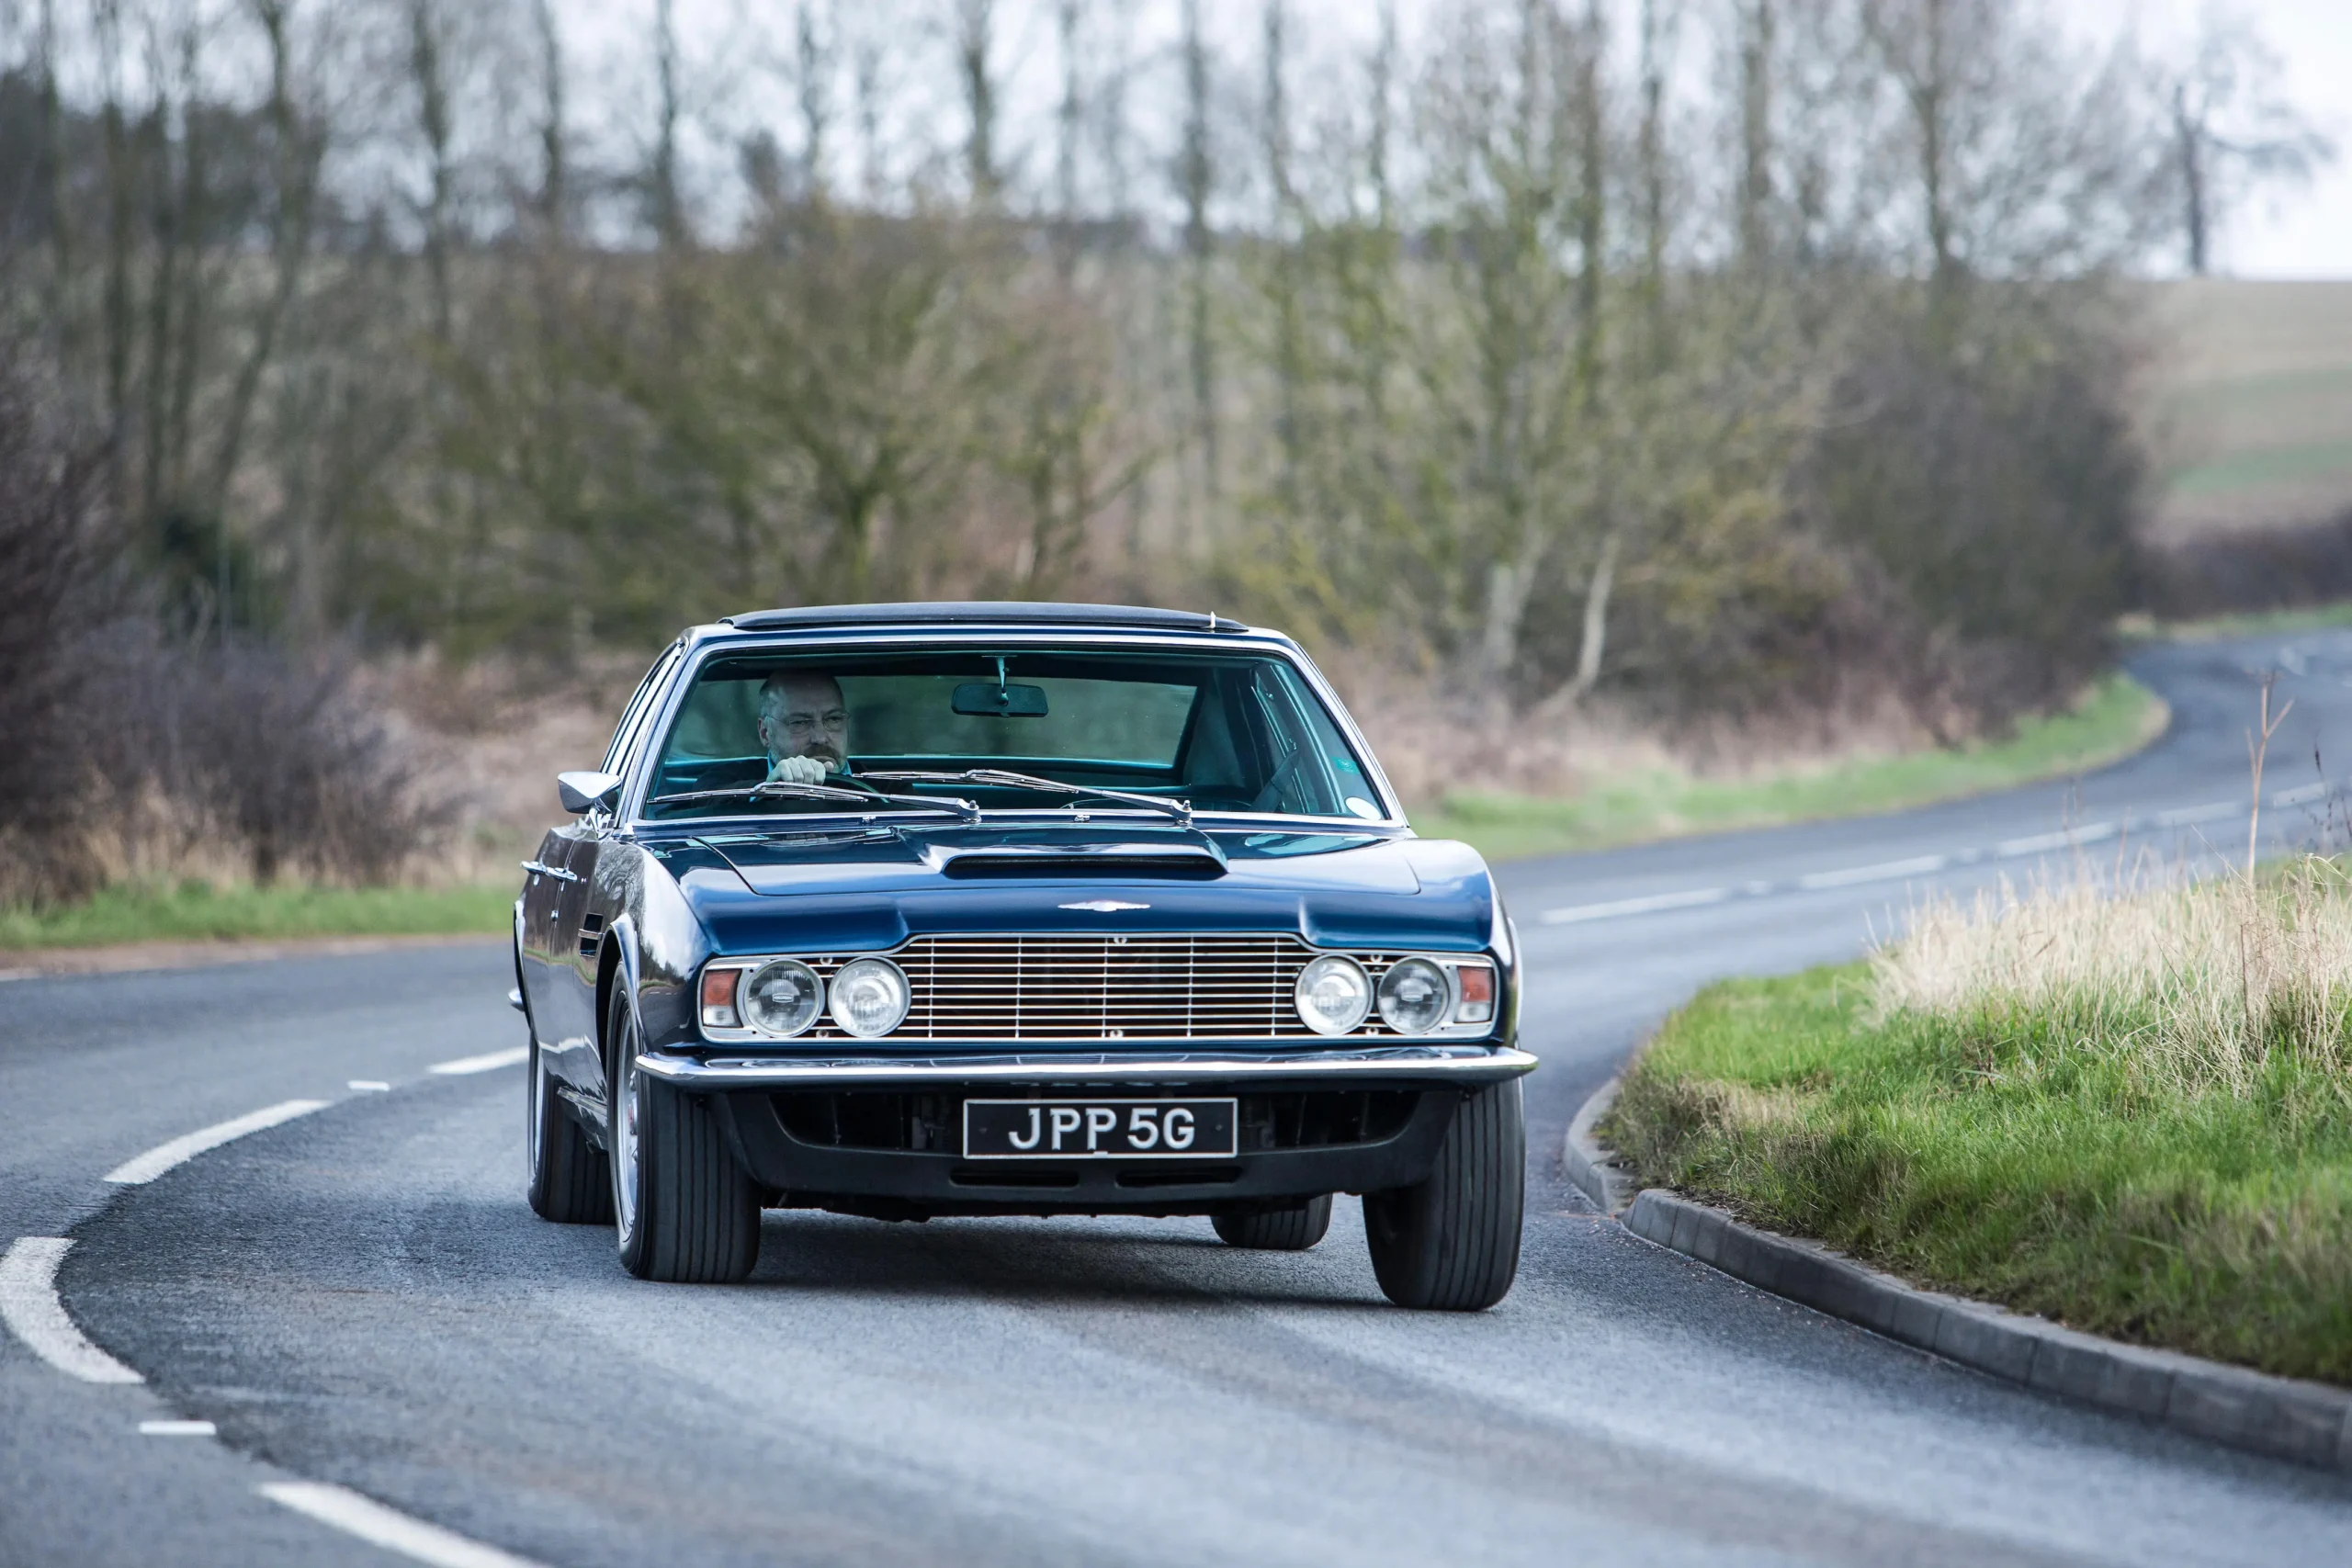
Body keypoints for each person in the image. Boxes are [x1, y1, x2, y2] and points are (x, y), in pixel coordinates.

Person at [758, 671, 852, 784]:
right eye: (799, 722)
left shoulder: (876, 789)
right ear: (765, 733)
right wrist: (768, 793)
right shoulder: (738, 793)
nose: (820, 739)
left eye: (833, 719)